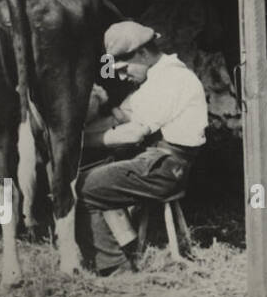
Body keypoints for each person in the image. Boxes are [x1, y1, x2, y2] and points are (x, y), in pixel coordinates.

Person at [77, 21, 208, 275]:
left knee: (85, 186)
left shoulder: (172, 79)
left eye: (124, 68)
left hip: (167, 168)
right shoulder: (155, 79)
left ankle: (115, 268)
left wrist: (82, 141)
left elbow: (134, 132)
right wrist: (78, 134)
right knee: (94, 170)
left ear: (143, 53)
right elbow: (123, 115)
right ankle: (127, 244)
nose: (123, 76)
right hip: (158, 161)